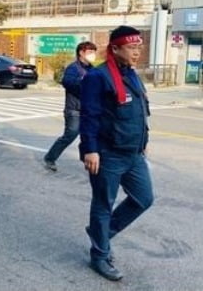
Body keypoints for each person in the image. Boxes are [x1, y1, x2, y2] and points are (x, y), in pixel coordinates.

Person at [80, 26, 154, 281]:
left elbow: (140, 108)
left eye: (139, 47)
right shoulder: (97, 77)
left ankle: (101, 233)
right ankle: (99, 255)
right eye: (132, 48)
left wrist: (144, 139)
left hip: (133, 153)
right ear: (115, 48)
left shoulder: (131, 74)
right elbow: (89, 115)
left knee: (144, 198)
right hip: (107, 153)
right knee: (103, 205)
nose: (137, 52)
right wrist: (90, 150)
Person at [43, 41, 98, 171]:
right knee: (70, 135)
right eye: (90, 52)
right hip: (74, 109)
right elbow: (67, 82)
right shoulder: (73, 68)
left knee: (90, 136)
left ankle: (87, 159)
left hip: (89, 110)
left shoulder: (93, 69)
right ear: (81, 53)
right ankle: (50, 158)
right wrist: (86, 84)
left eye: (94, 52)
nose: (93, 55)